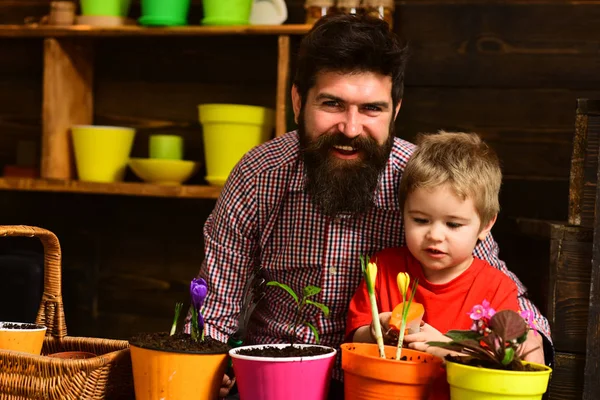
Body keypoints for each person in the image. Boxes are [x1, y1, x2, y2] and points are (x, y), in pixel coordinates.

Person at [196, 13, 552, 399]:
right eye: (332, 104)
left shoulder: (425, 182)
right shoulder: (259, 175)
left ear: (395, 110)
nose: (350, 128)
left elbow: (492, 281)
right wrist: (208, 365)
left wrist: (528, 336)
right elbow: (217, 303)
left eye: (371, 109)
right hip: (276, 377)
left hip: (387, 384)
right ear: (298, 101)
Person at [346, 131, 545, 366]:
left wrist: (447, 351)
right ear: (403, 213)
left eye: (453, 224)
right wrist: (375, 330)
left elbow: (503, 365)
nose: (435, 235)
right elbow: (354, 339)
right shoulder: (382, 269)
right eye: (420, 220)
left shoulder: (497, 289)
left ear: (486, 225)